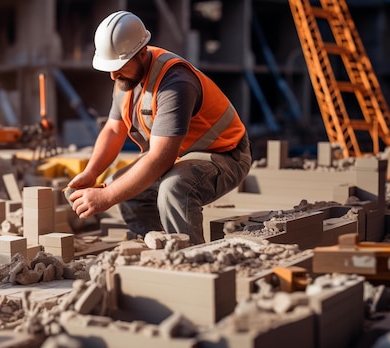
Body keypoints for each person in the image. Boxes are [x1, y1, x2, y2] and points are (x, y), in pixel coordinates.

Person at [67, 11, 252, 244]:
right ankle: (156, 250)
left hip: (226, 155)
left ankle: (188, 259)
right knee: (124, 185)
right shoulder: (126, 78)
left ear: (142, 52)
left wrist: (105, 197)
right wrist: (92, 173)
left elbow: (159, 159)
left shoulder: (175, 83)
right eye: (110, 68)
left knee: (174, 187)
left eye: (120, 66)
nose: (114, 75)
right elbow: (114, 131)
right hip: (181, 157)